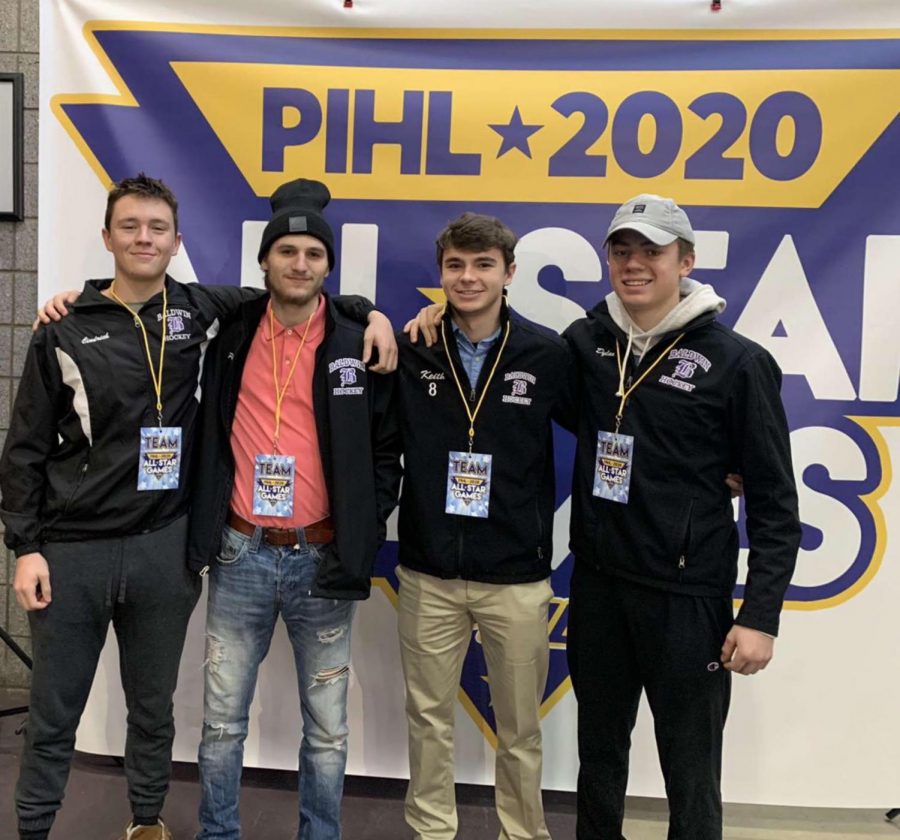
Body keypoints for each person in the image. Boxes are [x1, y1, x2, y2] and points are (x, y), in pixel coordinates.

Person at [7, 174, 395, 840]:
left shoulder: (269, 323)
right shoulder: (93, 327)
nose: (144, 239)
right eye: (130, 227)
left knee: (210, 716)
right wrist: (25, 545)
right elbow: (24, 449)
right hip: (135, 551)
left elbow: (312, 309)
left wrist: (373, 312)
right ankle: (65, 828)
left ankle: (177, 824)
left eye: (157, 228)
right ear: (107, 237)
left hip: (234, 551)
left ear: (177, 240)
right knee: (96, 716)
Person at [563, 194, 800, 839]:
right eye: (622, 250)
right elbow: (513, 379)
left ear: (685, 261)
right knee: (598, 761)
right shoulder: (586, 343)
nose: (634, 264)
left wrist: (759, 617)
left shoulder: (738, 362)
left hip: (687, 599)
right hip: (600, 588)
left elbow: (777, 504)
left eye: (652, 251)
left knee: (692, 775)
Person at [186, 177, 403, 840]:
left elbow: (386, 449)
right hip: (239, 551)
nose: (299, 264)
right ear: (265, 261)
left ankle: (320, 834)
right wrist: (77, 300)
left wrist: (364, 522)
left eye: (313, 253)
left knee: (328, 726)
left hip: (323, 557)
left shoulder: (357, 339)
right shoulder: (232, 330)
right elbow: (154, 297)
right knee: (223, 720)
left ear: (328, 265)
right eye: (287, 251)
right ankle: (217, 833)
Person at [394, 213, 575, 840]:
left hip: (516, 579)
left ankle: (522, 833)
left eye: (483, 265)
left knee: (520, 728)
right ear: (441, 271)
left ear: (509, 273)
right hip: (428, 573)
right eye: (455, 265)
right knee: (427, 717)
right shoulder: (413, 345)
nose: (468, 278)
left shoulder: (547, 353)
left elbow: (615, 426)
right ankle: (432, 831)